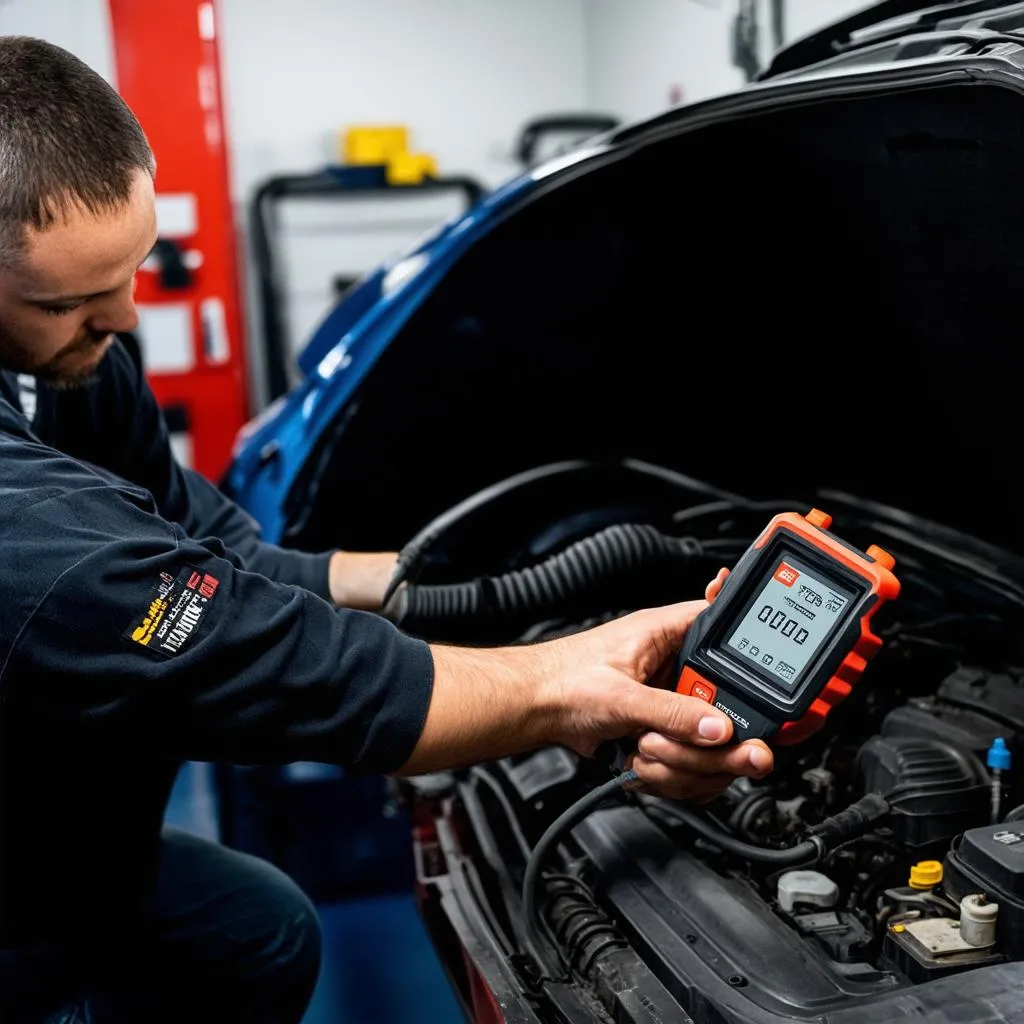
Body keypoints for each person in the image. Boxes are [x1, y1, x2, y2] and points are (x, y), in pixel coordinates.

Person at [0, 35, 775, 1024]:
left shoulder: (77, 356)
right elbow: (234, 649)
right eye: (66, 300)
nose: (118, 318)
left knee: (260, 932)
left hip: (67, 839)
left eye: (132, 272)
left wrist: (408, 575)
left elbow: (191, 532)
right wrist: (558, 686)